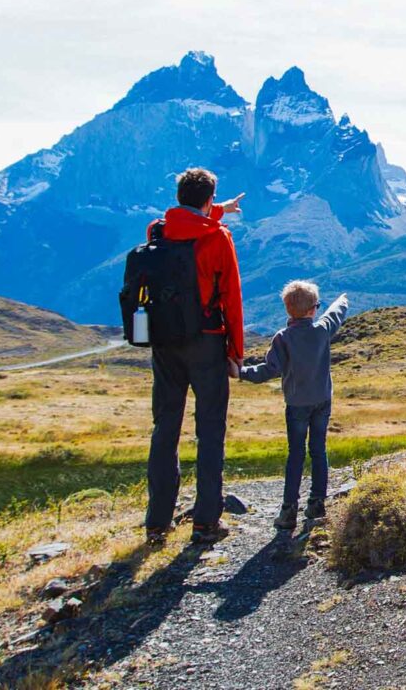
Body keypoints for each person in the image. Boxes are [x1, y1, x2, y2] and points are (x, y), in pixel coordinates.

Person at [144, 168, 246, 545]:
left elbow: (183, 225)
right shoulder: (218, 238)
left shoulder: (156, 231)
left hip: (164, 342)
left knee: (165, 428)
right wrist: (236, 351)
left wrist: (217, 209)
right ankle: (205, 521)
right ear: (208, 198)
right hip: (206, 341)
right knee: (210, 430)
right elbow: (231, 298)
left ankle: (157, 521)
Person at [238, 280, 350, 531]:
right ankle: (317, 504)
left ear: (288, 309)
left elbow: (268, 370)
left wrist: (240, 372)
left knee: (296, 455)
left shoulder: (283, 338)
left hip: (296, 405)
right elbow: (336, 314)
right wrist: (342, 300)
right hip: (322, 401)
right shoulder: (322, 330)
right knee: (318, 451)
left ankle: (288, 511)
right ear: (313, 310)